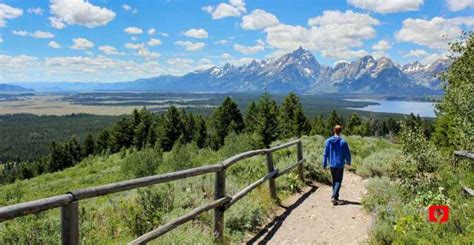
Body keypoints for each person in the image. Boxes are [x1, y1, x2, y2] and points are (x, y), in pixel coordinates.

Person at [323, 125, 351, 205]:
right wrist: (349, 162)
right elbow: (347, 154)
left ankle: (336, 198)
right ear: (340, 131)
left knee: (334, 181)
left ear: (334, 131)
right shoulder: (343, 142)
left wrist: (324, 163)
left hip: (331, 164)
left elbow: (325, 154)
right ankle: (334, 196)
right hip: (339, 165)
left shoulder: (328, 141)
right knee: (338, 181)